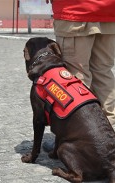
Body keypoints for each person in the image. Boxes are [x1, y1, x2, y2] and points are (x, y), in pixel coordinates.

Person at [43, 0, 115, 151]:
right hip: (109, 10)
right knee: (103, 72)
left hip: (76, 11)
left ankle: (80, 139)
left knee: (75, 78)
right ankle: (110, 135)